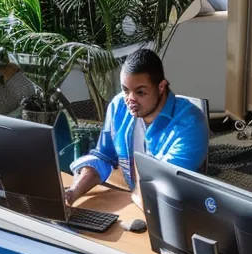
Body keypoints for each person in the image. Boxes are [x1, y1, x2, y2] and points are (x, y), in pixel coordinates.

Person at [64, 49, 211, 208]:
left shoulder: (191, 123)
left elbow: (164, 185)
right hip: (135, 200)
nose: (130, 99)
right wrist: (71, 194)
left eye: (140, 92)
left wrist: (132, 198)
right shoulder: (119, 105)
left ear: (161, 87)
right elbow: (103, 157)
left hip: (174, 209)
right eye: (125, 90)